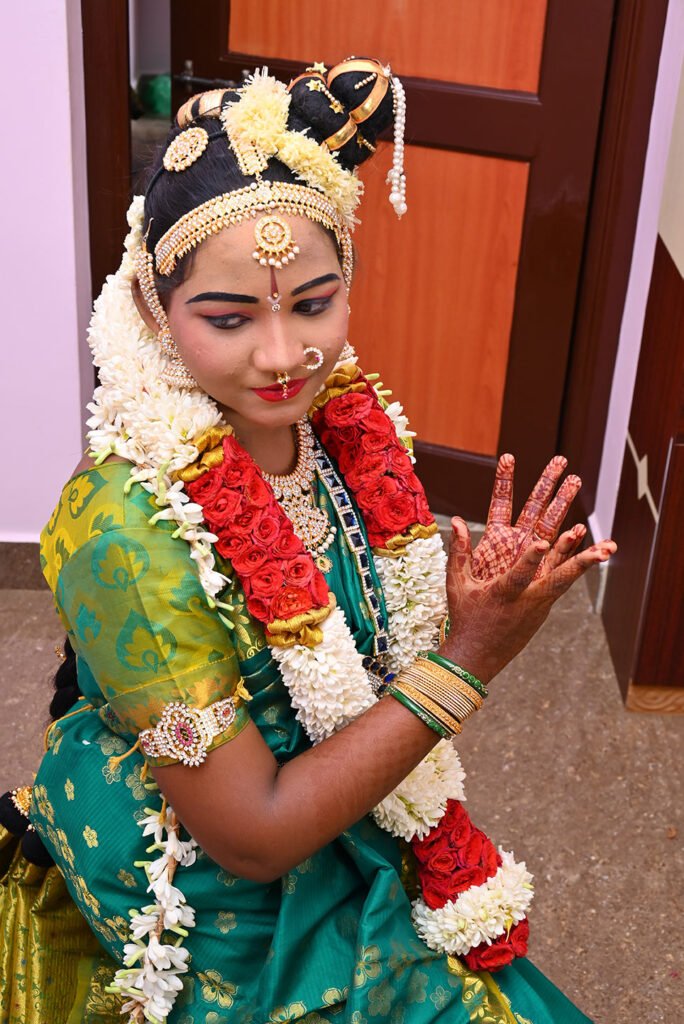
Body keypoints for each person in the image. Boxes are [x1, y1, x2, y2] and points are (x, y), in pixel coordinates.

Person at [0, 58, 615, 1024]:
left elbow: (367, 665)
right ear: (156, 313)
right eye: (228, 317)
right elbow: (252, 835)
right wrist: (469, 658)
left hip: (342, 804)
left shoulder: (340, 433)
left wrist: (458, 613)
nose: (285, 355)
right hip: (211, 874)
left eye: (315, 303)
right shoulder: (120, 530)